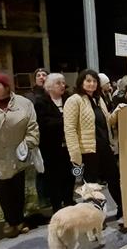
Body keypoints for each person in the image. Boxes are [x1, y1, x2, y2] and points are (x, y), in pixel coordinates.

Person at [63, 69, 126, 219]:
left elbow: (107, 121)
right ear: (81, 82)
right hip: (88, 150)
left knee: (114, 178)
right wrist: (75, 154)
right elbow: (70, 129)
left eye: (94, 81)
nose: (91, 84)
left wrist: (117, 111)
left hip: (105, 147)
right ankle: (94, 217)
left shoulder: (99, 99)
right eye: (88, 80)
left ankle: (122, 209)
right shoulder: (74, 100)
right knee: (91, 186)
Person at [0, 73, 39, 238]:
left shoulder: (24, 103)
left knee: (18, 187)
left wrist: (28, 144)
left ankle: (19, 219)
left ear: (7, 87)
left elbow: (33, 127)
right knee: (3, 189)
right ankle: (10, 221)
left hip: (18, 153)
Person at [34, 73, 75, 213]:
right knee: (53, 177)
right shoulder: (40, 102)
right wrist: (65, 121)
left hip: (69, 146)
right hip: (51, 147)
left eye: (63, 83)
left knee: (70, 174)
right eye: (58, 83)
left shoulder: (69, 100)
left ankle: (69, 200)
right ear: (49, 86)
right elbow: (44, 124)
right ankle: (57, 206)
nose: (63, 85)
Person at [24, 67, 50, 208]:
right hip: (39, 136)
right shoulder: (30, 96)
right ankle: (43, 198)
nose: (41, 77)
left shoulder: (54, 93)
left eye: (44, 74)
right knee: (41, 168)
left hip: (54, 137)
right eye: (38, 75)